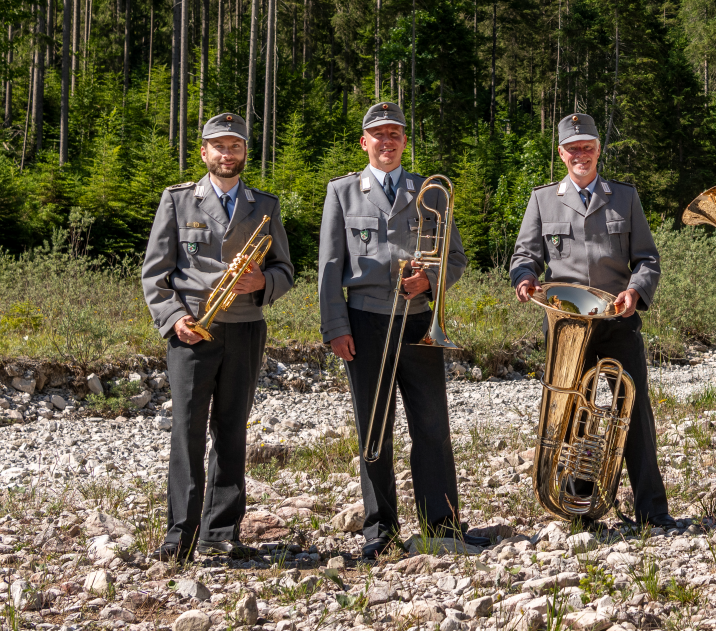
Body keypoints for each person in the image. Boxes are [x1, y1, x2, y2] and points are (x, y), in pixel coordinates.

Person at [319, 102, 489, 560]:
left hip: (418, 321)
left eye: (395, 134)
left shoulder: (429, 191)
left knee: (432, 426)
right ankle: (380, 530)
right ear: (364, 142)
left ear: (404, 142)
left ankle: (443, 525)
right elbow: (330, 266)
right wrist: (335, 325)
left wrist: (429, 281)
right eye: (378, 135)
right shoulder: (342, 192)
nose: (387, 142)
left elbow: (454, 258)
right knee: (374, 429)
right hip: (364, 321)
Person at [509, 112, 675, 530]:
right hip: (567, 325)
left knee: (633, 416)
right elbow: (524, 256)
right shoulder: (542, 199)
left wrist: (635, 291)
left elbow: (648, 260)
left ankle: (652, 512)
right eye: (572, 148)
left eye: (588, 147)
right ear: (561, 153)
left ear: (599, 150)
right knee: (568, 417)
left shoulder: (625, 196)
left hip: (618, 320)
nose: (580, 154)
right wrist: (525, 277)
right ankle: (578, 507)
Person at [142, 112, 294, 562]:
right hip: (191, 330)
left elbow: (285, 269)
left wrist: (261, 284)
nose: (227, 154)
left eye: (236, 146)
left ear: (246, 152)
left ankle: (221, 531)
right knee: (187, 430)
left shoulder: (265, 205)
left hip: (245, 328)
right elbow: (155, 273)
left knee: (231, 430)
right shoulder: (177, 201)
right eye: (219, 146)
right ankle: (179, 534)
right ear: (204, 152)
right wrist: (173, 318)